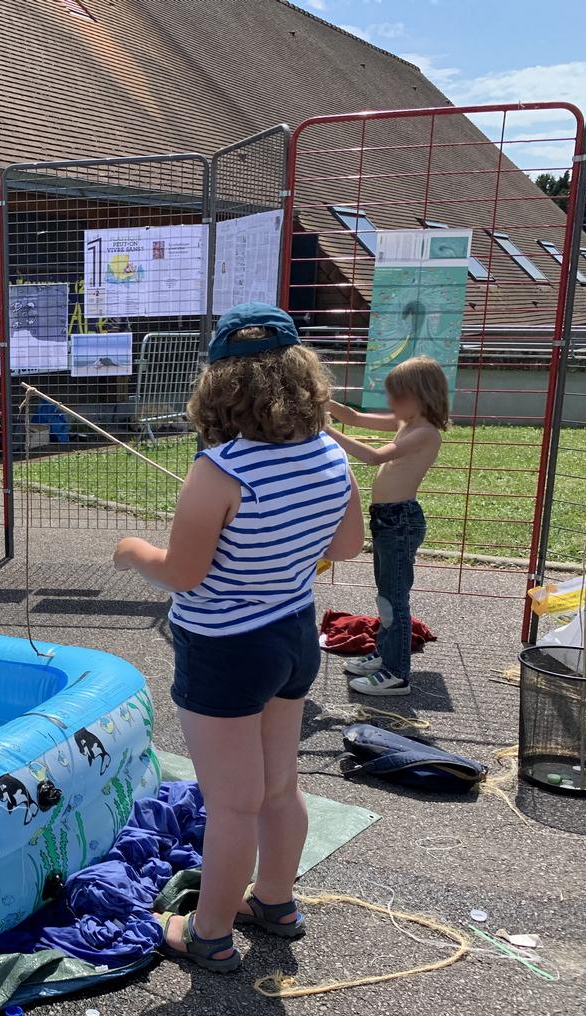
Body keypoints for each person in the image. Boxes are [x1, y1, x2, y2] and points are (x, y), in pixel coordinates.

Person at [112, 303, 363, 973]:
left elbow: (183, 575)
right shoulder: (332, 454)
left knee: (231, 806)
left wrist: (135, 551)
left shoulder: (218, 471)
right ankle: (276, 903)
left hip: (225, 650)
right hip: (291, 636)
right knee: (278, 788)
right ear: (302, 379)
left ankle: (209, 933)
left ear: (219, 386)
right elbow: (346, 545)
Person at [325, 356, 449, 696]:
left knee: (394, 600)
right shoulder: (405, 421)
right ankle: (384, 654)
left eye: (397, 395)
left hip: (400, 521)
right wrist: (322, 400)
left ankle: (396, 673)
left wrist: (327, 430)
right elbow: (352, 416)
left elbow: (375, 456)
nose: (390, 402)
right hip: (388, 521)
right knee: (386, 597)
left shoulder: (424, 433)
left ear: (420, 394)